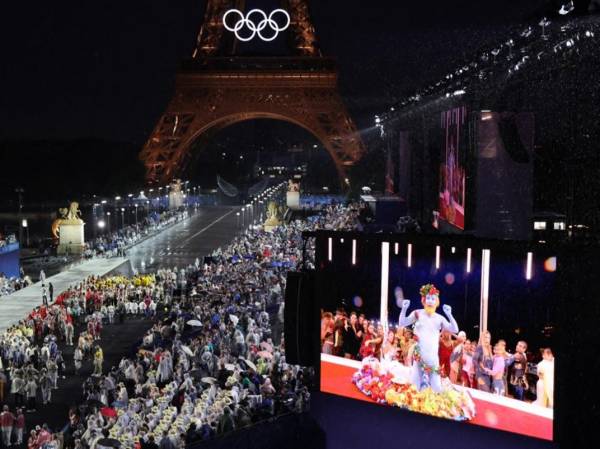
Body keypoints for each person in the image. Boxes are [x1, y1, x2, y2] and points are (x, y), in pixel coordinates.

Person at [397, 284, 459, 392]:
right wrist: (404, 309)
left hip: (433, 360)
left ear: (437, 301)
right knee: (414, 388)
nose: (430, 301)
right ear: (424, 300)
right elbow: (402, 322)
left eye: (433, 299)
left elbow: (455, 329)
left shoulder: (440, 318)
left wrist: (450, 315)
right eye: (428, 298)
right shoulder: (417, 313)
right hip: (418, 358)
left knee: (437, 389)